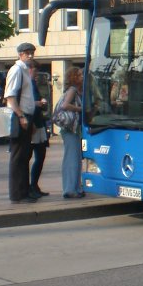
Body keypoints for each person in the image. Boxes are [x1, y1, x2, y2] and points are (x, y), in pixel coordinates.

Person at [5, 43, 39, 204]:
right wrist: (21, 116)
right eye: (27, 53)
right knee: (18, 156)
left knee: (25, 155)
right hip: (19, 117)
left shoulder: (25, 71)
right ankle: (17, 193)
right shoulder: (16, 70)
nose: (30, 55)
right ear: (20, 54)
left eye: (32, 52)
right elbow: (10, 96)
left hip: (26, 116)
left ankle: (24, 191)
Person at [58, 66, 85, 200]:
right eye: (79, 74)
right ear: (73, 77)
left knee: (75, 158)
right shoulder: (73, 90)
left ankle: (75, 187)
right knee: (72, 158)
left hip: (73, 129)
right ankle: (70, 189)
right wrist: (80, 109)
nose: (82, 76)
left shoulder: (77, 91)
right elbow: (64, 105)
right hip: (70, 129)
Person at [28, 59, 51, 198]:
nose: (36, 73)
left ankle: (34, 185)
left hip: (39, 122)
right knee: (33, 155)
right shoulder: (27, 84)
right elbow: (25, 103)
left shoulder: (33, 84)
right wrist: (38, 103)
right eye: (35, 70)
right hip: (33, 123)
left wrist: (42, 102)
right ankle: (31, 186)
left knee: (40, 156)